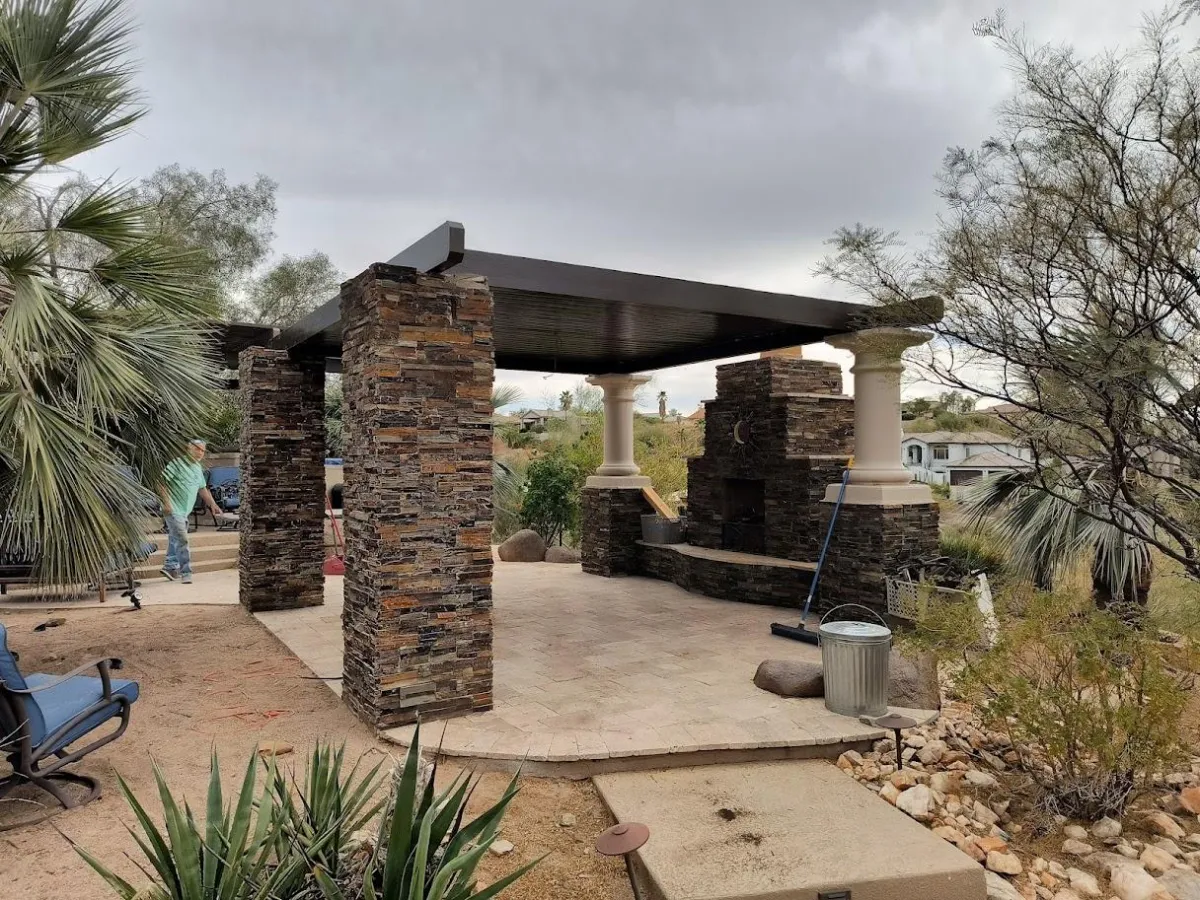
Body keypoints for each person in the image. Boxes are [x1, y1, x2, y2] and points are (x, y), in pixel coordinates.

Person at [158, 439, 222, 584]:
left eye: (202, 450)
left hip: (184, 511)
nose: (200, 452)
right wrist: (167, 503)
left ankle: (170, 567)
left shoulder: (197, 468)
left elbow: (202, 489)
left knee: (175, 538)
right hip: (172, 508)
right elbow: (161, 482)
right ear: (188, 449)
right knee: (183, 539)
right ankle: (186, 572)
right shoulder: (176, 464)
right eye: (197, 449)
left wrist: (213, 504)